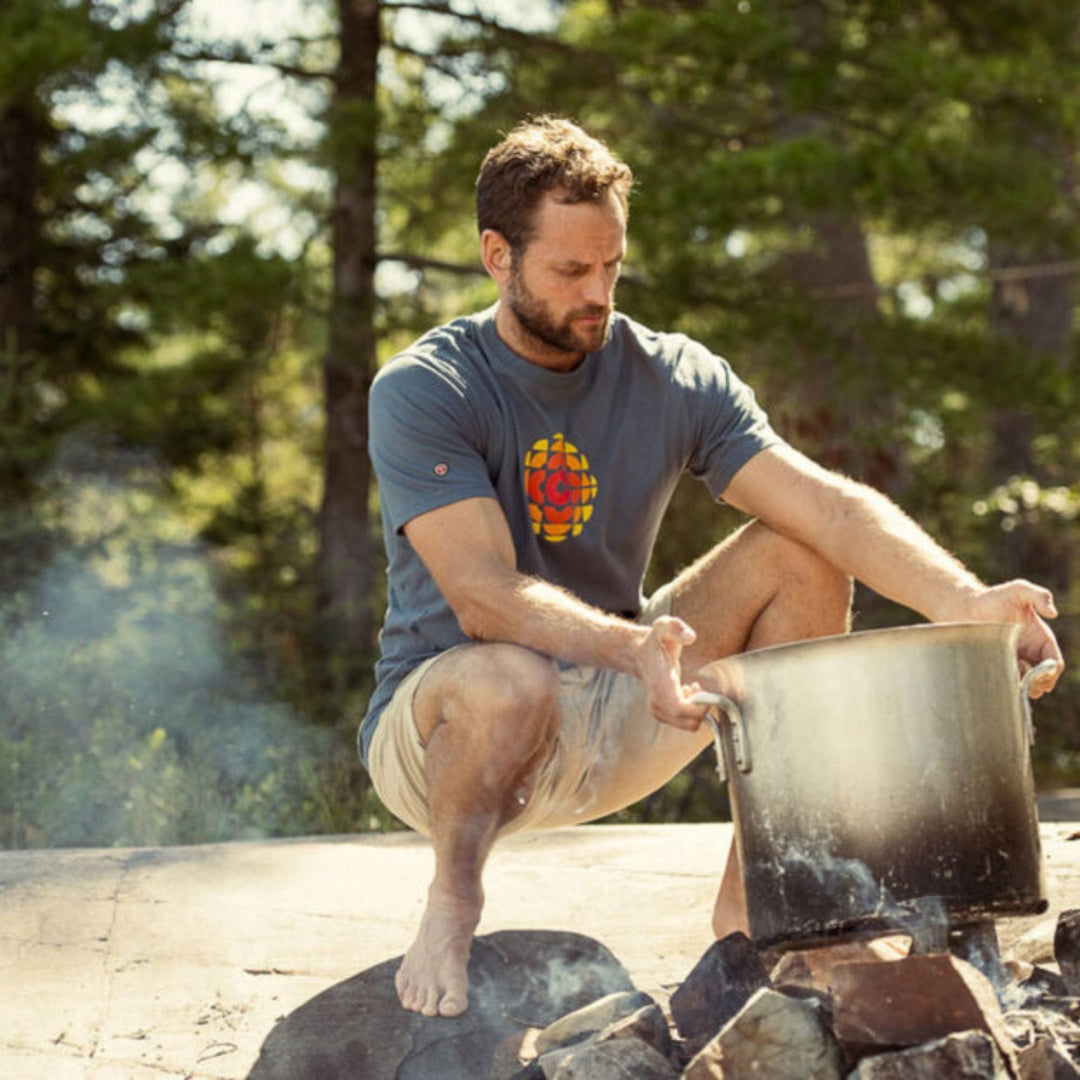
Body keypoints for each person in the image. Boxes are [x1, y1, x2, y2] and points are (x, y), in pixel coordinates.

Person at [359, 115, 1064, 1019]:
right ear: (497, 255)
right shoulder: (427, 387)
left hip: (616, 707)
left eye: (610, 266)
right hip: (446, 734)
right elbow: (484, 597)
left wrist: (972, 603)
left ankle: (764, 907)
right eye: (570, 271)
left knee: (799, 552)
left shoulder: (676, 376)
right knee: (508, 678)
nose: (597, 294)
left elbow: (831, 508)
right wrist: (632, 648)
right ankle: (453, 904)